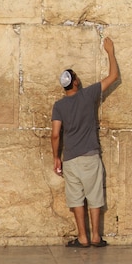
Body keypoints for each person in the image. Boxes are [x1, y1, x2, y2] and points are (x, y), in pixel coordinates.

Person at [51, 37, 119, 248]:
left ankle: (82, 237)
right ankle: (96, 237)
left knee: (76, 199)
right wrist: (110, 52)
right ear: (76, 82)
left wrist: (56, 157)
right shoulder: (88, 95)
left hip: (71, 159)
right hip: (90, 156)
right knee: (95, 196)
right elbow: (113, 76)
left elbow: (55, 134)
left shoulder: (59, 106)